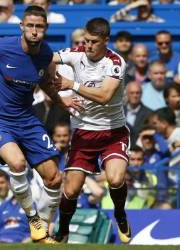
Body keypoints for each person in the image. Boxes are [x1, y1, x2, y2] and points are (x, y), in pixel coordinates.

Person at [0, 5, 81, 243]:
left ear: (46, 28)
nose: (34, 31)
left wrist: (61, 102)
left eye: (39, 26)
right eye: (29, 25)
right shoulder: (2, 46)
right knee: (18, 164)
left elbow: (45, 82)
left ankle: (43, 227)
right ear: (22, 26)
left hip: (27, 119)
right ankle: (32, 219)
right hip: (0, 119)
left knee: (54, 177)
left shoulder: (45, 54)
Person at [53, 17, 131, 244]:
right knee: (71, 189)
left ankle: (120, 214)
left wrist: (72, 85)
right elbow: (48, 58)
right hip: (83, 134)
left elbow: (105, 97)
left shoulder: (115, 62)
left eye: (94, 42)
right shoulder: (75, 54)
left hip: (112, 132)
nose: (88, 46)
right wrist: (52, 82)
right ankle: (63, 230)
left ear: (106, 41)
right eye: (86, 41)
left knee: (116, 179)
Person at [124, 81, 153, 146]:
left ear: (141, 94)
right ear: (126, 94)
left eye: (137, 93)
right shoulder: (120, 112)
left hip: (141, 152)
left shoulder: (150, 114)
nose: (135, 95)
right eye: (132, 93)